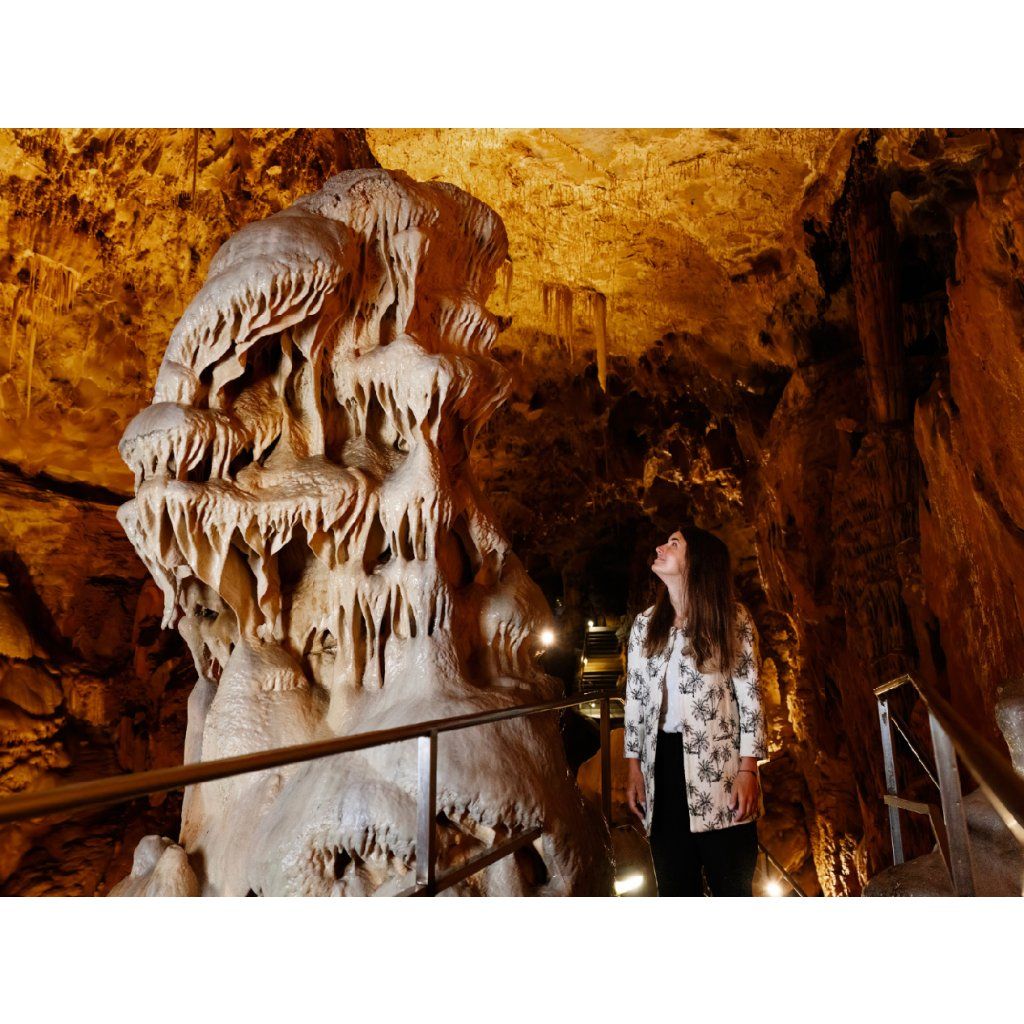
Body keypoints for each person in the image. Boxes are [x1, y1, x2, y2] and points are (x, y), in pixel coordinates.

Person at [623, 526, 767, 896]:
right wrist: (634, 767)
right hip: (663, 767)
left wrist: (748, 770)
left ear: (698, 563)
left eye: (674, 544)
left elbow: (750, 698)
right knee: (675, 887)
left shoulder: (732, 620)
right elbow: (635, 700)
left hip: (721, 770)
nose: (660, 547)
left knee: (732, 885)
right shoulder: (644, 626)